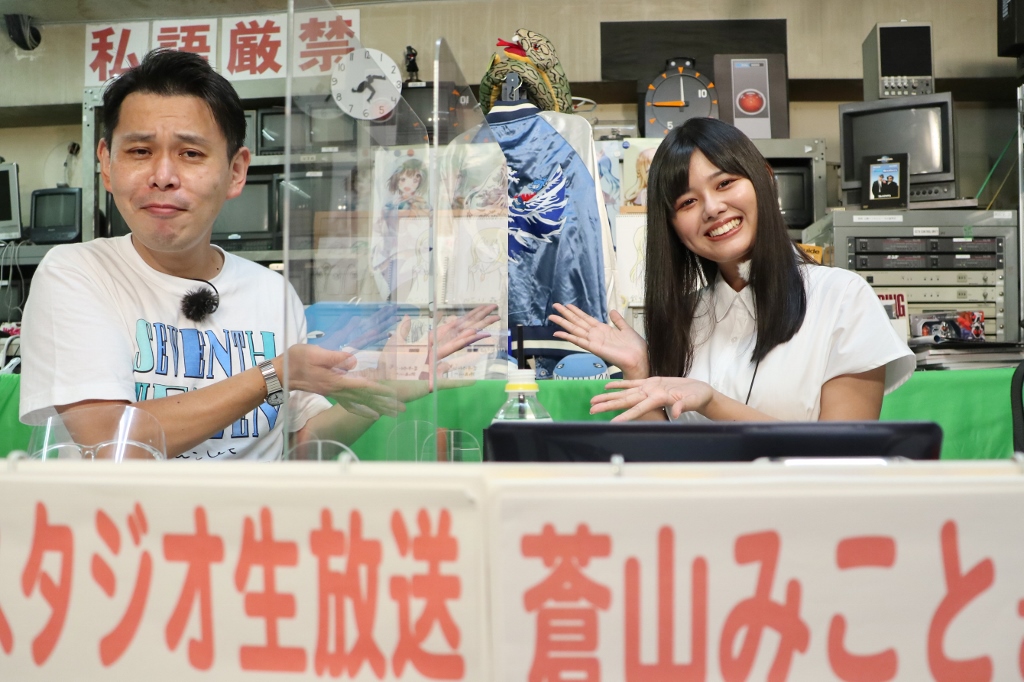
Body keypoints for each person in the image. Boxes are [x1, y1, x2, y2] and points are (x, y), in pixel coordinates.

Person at [19, 49, 495, 460]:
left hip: (251, 531)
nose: (162, 176)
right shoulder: (75, 274)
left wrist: (378, 391)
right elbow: (112, 442)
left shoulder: (271, 292)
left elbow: (301, 445)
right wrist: (275, 374)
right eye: (140, 151)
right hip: (125, 535)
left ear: (236, 171)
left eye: (190, 154)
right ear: (106, 164)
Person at [549, 118, 914, 422]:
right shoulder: (684, 316)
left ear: (765, 178)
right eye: (688, 202)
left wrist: (713, 402)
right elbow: (665, 459)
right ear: (672, 226)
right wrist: (639, 368)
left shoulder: (842, 297)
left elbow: (846, 455)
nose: (712, 208)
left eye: (724, 183)